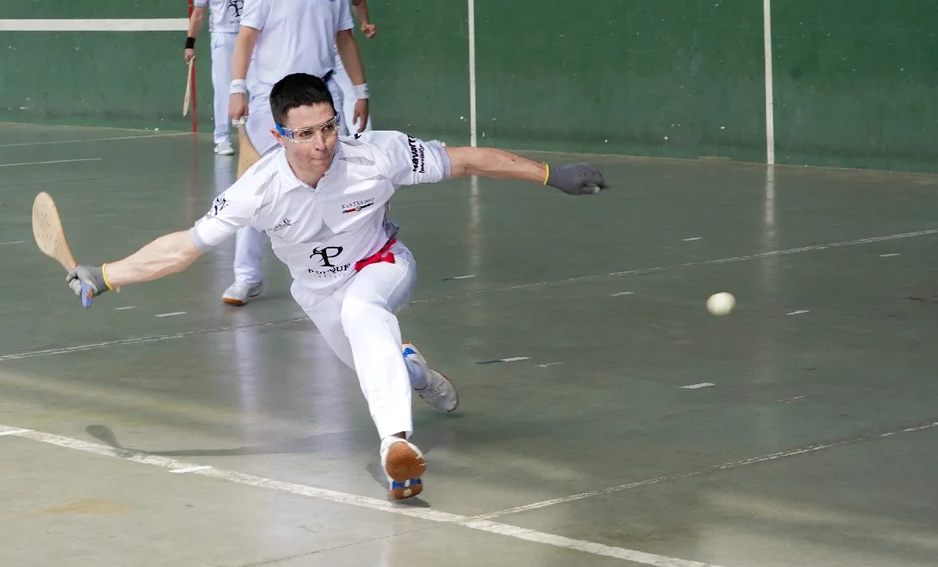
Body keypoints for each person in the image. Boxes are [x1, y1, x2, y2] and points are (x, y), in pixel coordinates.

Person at [65, 73, 608, 501]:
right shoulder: (256, 190)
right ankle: (416, 371)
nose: (322, 143)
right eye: (305, 134)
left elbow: (465, 162)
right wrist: (107, 275)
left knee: (363, 310)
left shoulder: (376, 154)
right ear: (279, 136)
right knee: (374, 355)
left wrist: (549, 174)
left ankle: (396, 447)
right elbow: (183, 248)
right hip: (317, 292)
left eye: (328, 127)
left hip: (384, 264)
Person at [222, 0, 370, 306]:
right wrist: (237, 88)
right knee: (254, 186)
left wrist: (360, 92)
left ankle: (333, 272)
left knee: (332, 185)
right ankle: (246, 276)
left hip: (321, 99)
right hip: (272, 99)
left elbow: (345, 39)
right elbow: (247, 37)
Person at [185, 0, 255, 155]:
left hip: (248, 35)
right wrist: (190, 43)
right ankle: (222, 138)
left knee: (255, 84)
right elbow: (198, 13)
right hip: (222, 37)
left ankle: (256, 135)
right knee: (224, 87)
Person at [320, 0, 377, 137]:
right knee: (326, 103)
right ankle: (337, 144)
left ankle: (364, 145)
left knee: (355, 95)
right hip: (317, 50)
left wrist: (365, 22)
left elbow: (358, 0)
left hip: (342, 48)